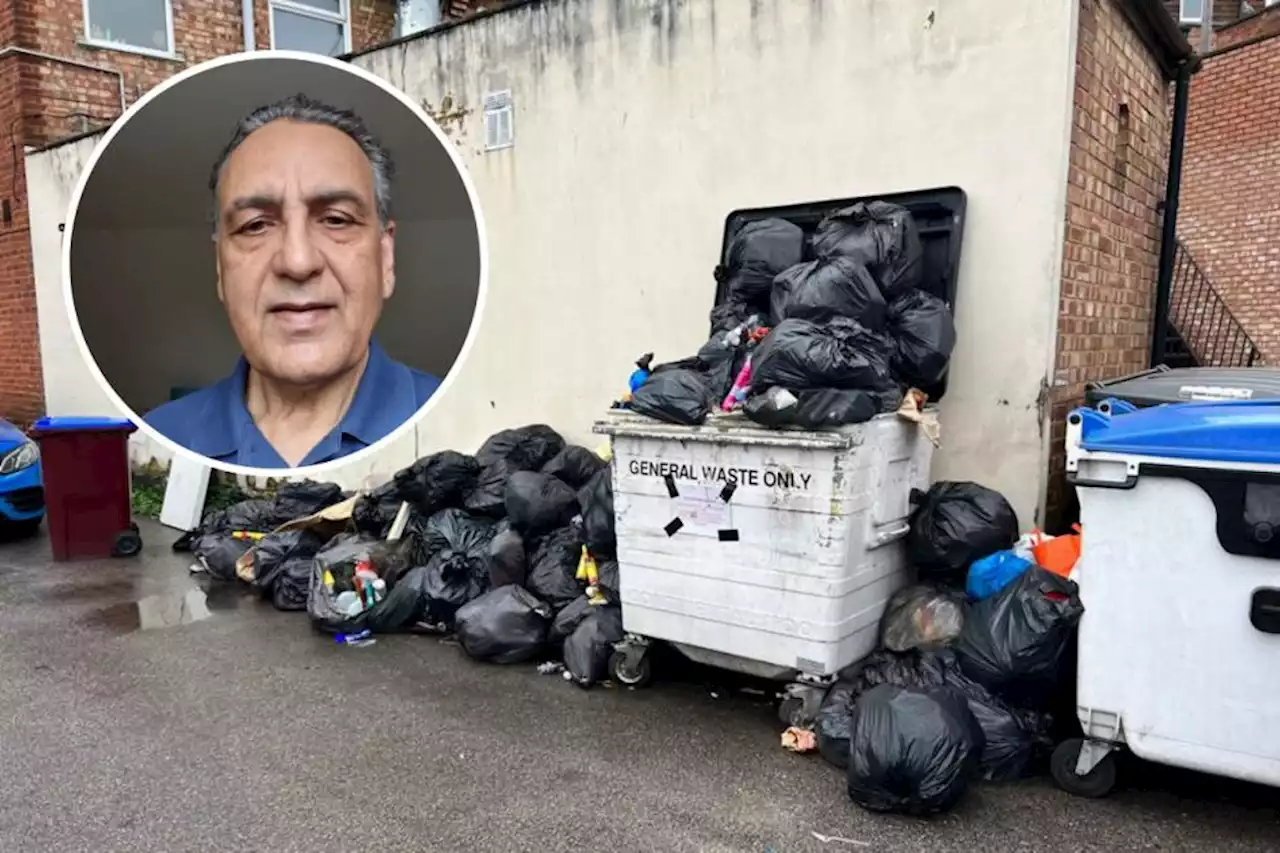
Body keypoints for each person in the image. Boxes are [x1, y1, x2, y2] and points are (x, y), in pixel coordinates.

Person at [146, 93, 441, 468]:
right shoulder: (152, 443)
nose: (298, 262)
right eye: (255, 226)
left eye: (337, 219)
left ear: (385, 258)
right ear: (220, 270)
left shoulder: (471, 426)